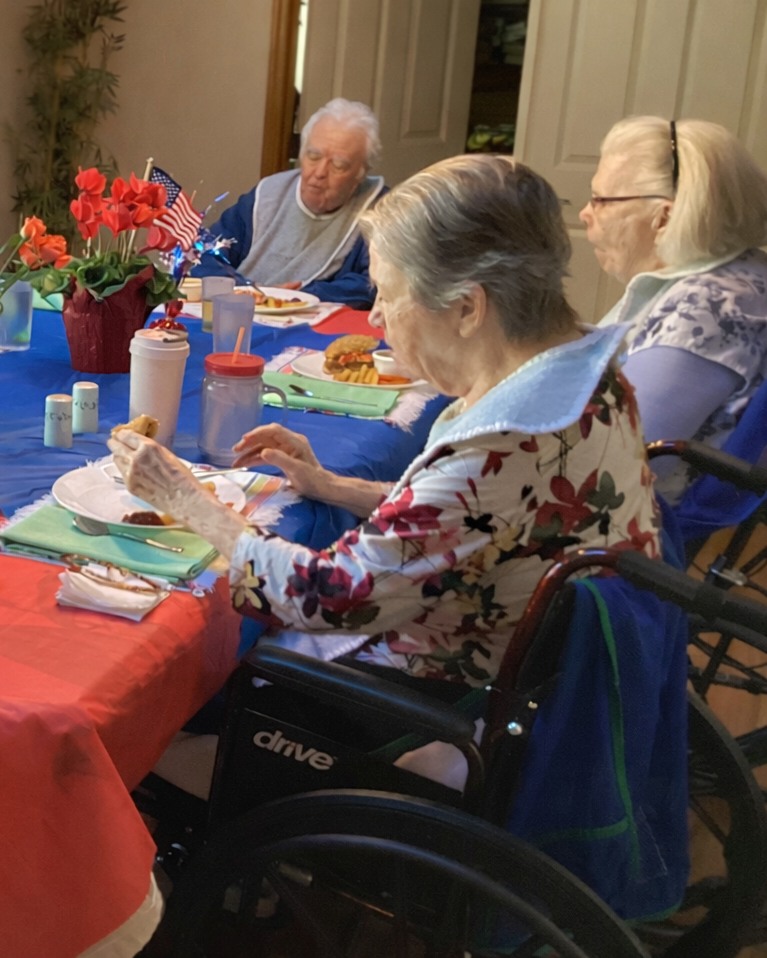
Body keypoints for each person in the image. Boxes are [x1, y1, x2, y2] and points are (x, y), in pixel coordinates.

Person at [114, 155, 660, 694]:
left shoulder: (505, 438)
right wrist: (334, 486)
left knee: (169, 673)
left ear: (468, 308)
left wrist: (184, 500)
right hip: (533, 676)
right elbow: (478, 522)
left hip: (420, 703)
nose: (375, 319)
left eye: (388, 295)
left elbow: (323, 597)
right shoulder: (590, 373)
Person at [583, 117, 767, 501]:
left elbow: (619, 460)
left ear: (663, 217)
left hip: (637, 520)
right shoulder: (736, 270)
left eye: (600, 200)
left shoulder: (708, 310)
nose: (585, 213)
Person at [190, 98, 386, 309]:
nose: (319, 173)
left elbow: (377, 284)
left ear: (360, 174)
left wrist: (304, 295)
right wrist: (247, 289)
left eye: (338, 165)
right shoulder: (267, 195)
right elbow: (205, 251)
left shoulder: (381, 211)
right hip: (243, 313)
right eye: (313, 156)